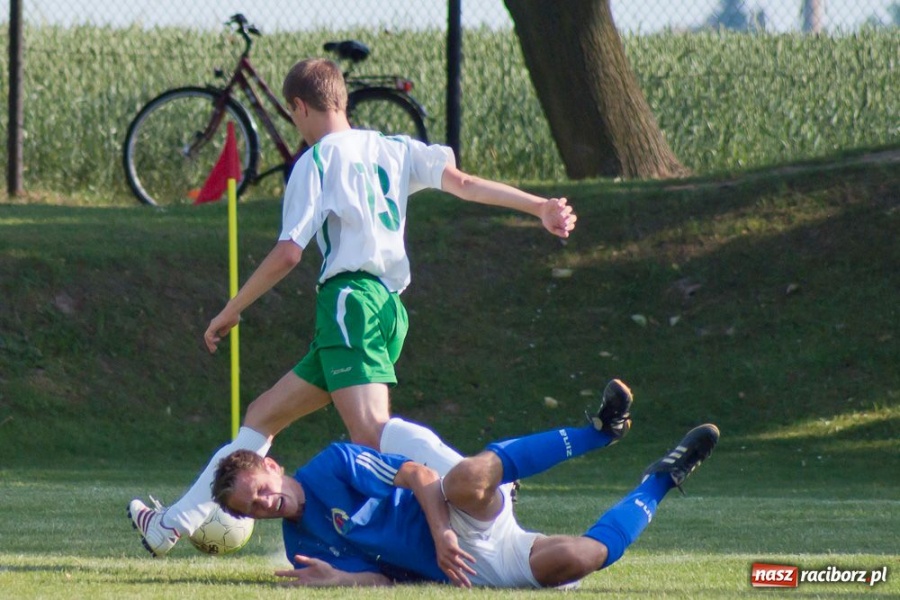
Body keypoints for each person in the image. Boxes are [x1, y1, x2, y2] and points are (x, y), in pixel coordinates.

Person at [128, 57, 577, 557]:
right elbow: (465, 184)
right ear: (340, 97)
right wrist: (538, 206)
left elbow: (288, 252)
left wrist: (231, 309)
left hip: (349, 302)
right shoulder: (394, 147)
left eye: (291, 114)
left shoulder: (316, 162)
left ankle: (479, 477)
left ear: (299, 107)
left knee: (370, 431)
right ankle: (169, 525)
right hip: (386, 308)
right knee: (261, 417)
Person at [211, 380, 721, 589]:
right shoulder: (302, 548)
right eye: (250, 511)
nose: (262, 505)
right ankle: (661, 479)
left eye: (256, 489)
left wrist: (442, 534)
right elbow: (385, 582)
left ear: (270, 465)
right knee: (579, 560)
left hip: (454, 516)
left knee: (461, 480)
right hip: (470, 568)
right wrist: (341, 582)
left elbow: (419, 474)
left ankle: (599, 432)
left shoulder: (330, 465)